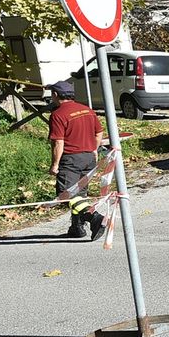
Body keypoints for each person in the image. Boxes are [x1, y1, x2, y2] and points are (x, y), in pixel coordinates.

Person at [47, 80, 106, 240]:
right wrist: (94, 149)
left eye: (51, 93)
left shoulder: (58, 114)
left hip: (71, 159)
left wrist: (55, 165)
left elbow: (58, 142)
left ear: (56, 94)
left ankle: (94, 218)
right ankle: (77, 228)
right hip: (89, 158)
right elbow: (99, 133)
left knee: (66, 194)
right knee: (79, 194)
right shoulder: (87, 110)